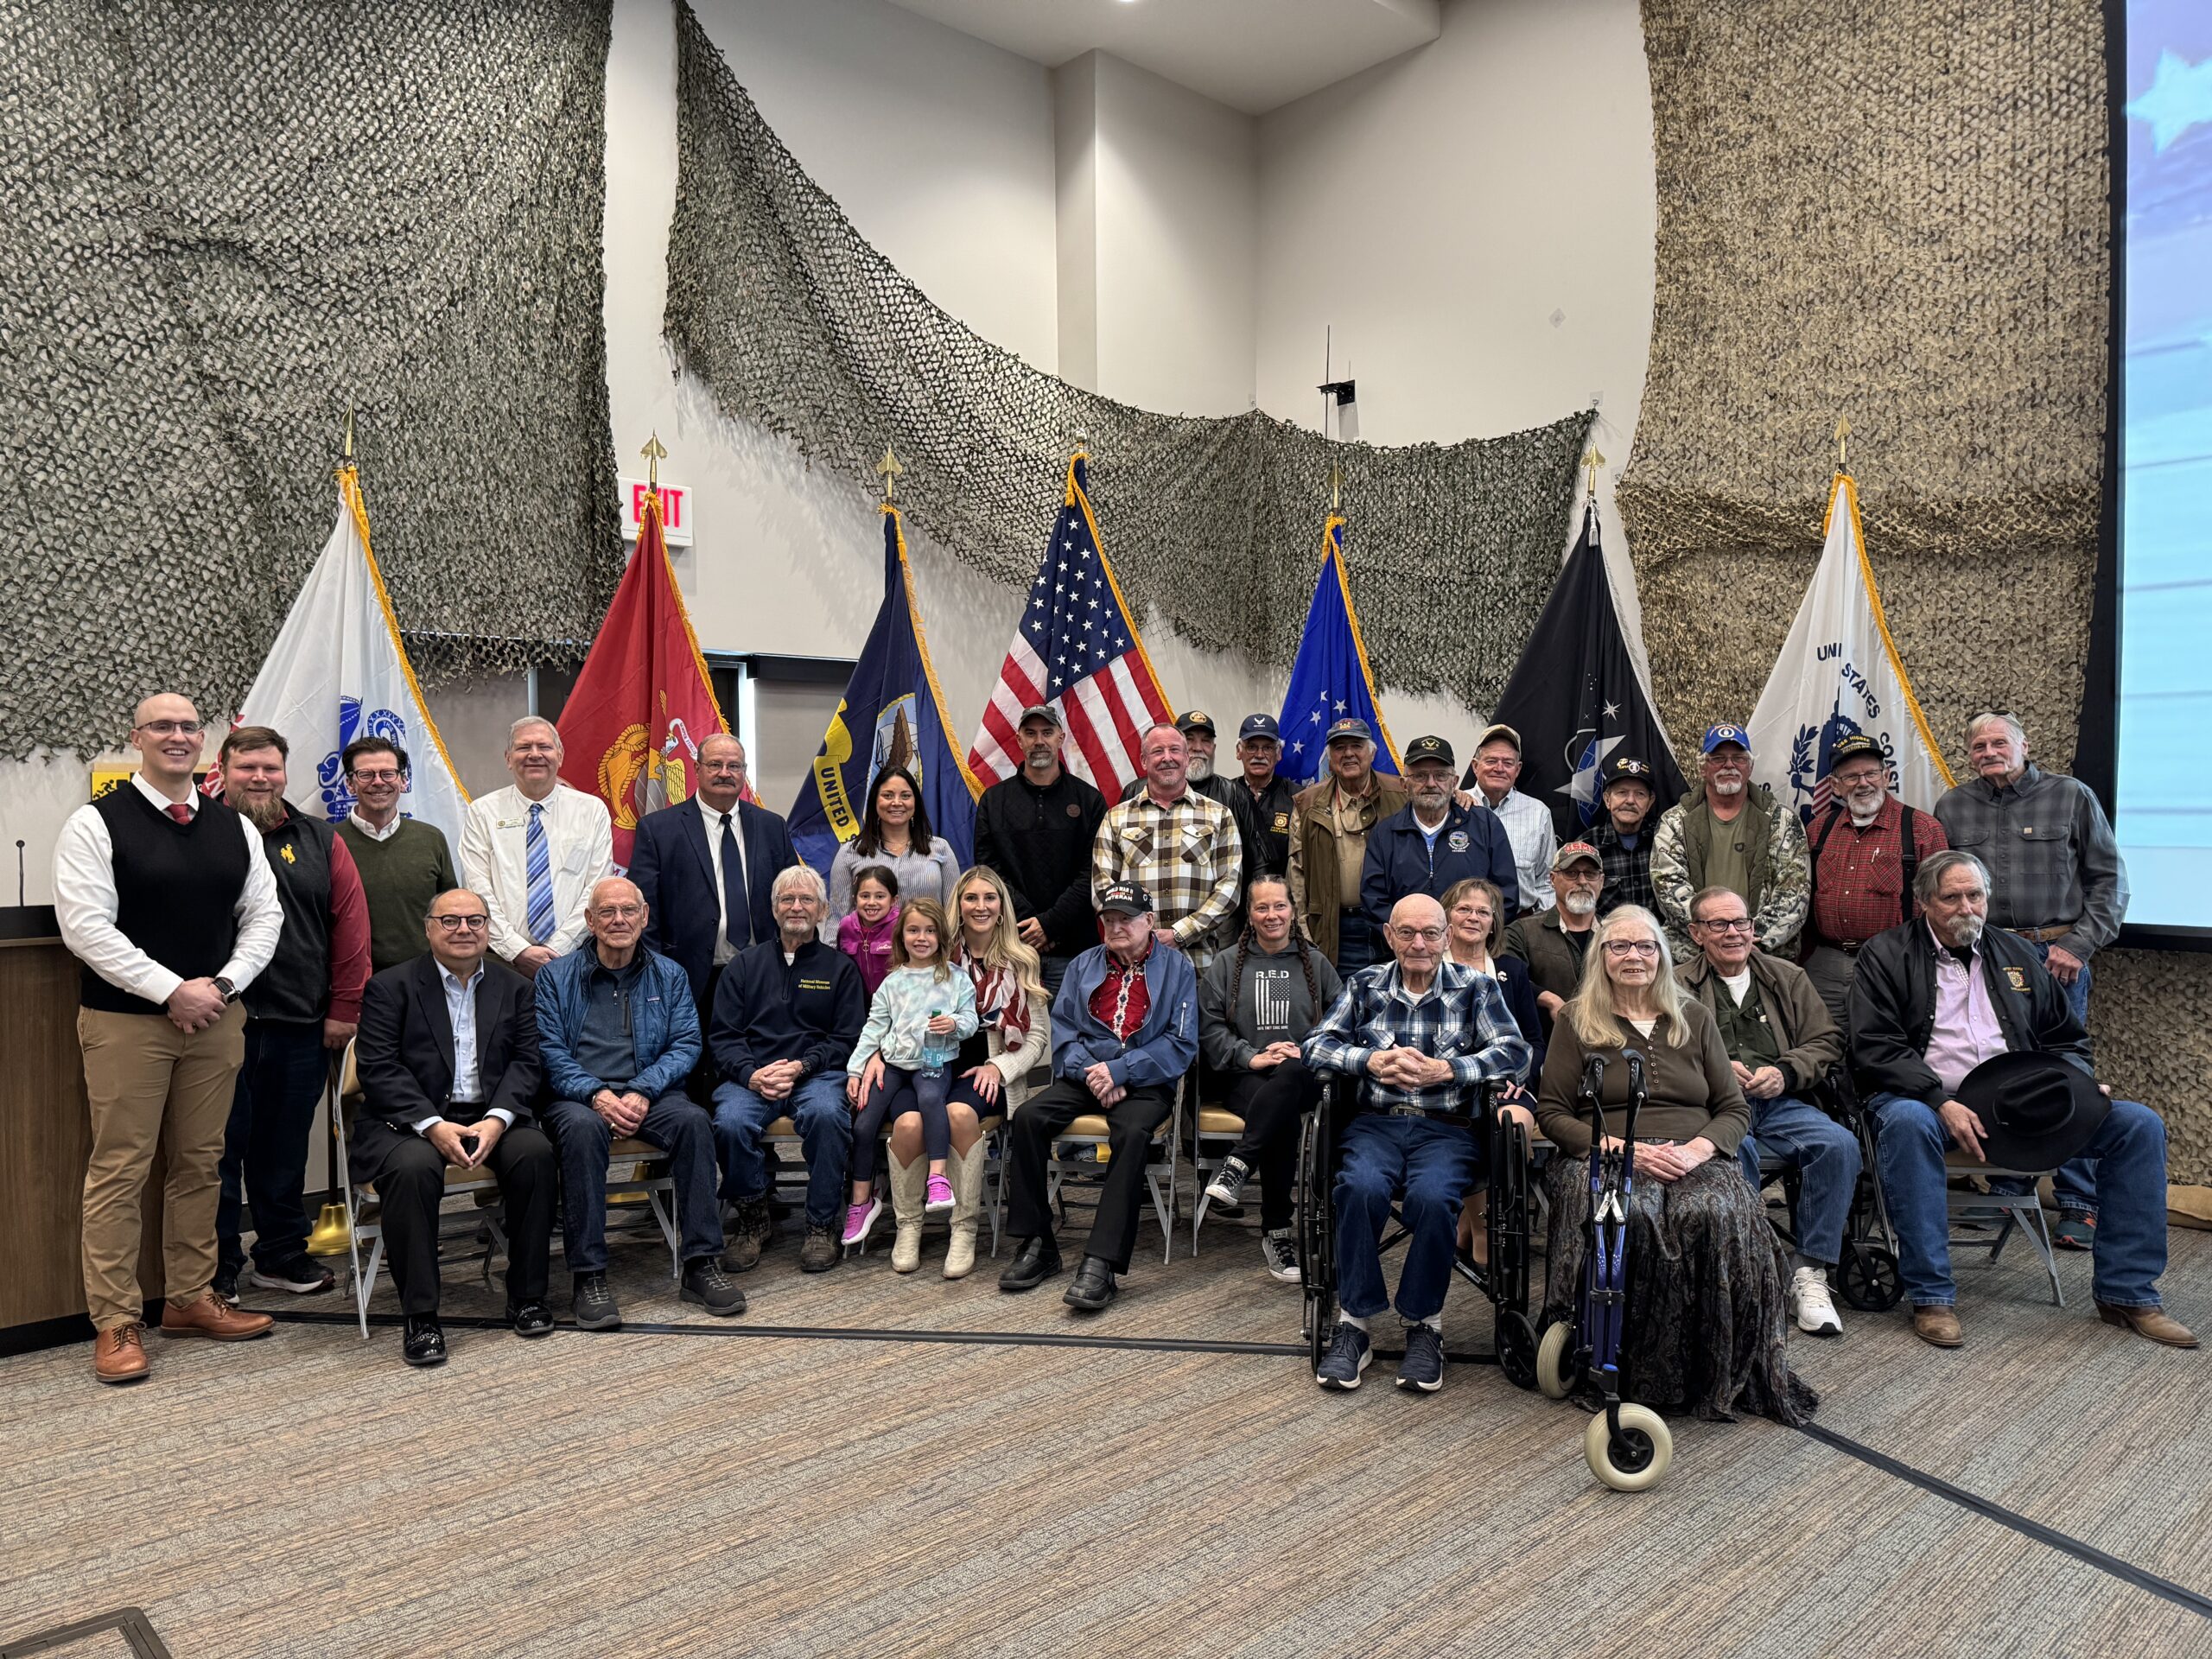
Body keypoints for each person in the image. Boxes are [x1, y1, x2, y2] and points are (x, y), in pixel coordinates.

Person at [1847, 849, 2191, 1350]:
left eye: (1976, 895)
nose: (1967, 907)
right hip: (1925, 1101)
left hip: (2019, 1106)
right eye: (1952, 897)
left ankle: (2129, 1293)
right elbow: (1874, 1046)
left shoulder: (2019, 955)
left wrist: (2076, 1085)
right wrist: (1936, 1099)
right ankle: (1932, 1296)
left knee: (2138, 1125)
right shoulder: (1886, 954)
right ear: (1924, 903)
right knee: (1904, 1123)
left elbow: (2065, 1039)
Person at [54, 692, 284, 1383]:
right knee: (121, 1168)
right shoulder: (95, 823)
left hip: (215, 1020)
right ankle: (116, 1320)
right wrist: (170, 989)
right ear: (138, 739)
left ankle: (189, 1297)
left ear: (203, 744)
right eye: (163, 726)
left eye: (188, 726)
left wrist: (219, 987)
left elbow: (263, 917)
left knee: (201, 1163)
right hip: (128, 1025)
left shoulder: (233, 827)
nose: (177, 735)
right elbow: (87, 928)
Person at [1535, 906, 1815, 1423]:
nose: (1634, 957)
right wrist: (1623, 1148)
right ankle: (1626, 1368)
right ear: (1601, 957)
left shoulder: (1694, 1017)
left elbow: (1733, 1109)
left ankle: (1710, 1368)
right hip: (1607, 1152)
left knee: (1714, 1213)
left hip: (1693, 1152)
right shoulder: (1577, 1021)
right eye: (1619, 947)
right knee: (1629, 1216)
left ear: (1662, 956)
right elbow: (1552, 1113)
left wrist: (1695, 1151)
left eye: (1645, 946)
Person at [1303, 894, 1534, 1394]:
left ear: (1447, 937)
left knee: (1433, 1199)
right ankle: (1354, 1324)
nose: (1419, 944)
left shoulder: (1476, 988)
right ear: (1389, 936)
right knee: (1358, 1187)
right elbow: (1315, 1044)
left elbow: (1516, 1052)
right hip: (1375, 1123)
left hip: (1447, 1128)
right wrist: (1368, 1061)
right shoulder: (1364, 985)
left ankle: (1425, 1323)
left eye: (1430, 933)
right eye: (1407, 933)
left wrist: (1447, 1069)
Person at [1935, 712, 2127, 1248]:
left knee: (2066, 1071)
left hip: (2056, 957)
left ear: (2024, 744)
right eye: (1978, 745)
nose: (1989, 751)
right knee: (1999, 1069)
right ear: (1968, 753)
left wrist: (2078, 945)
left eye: (1999, 742)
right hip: (1987, 957)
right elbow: (1939, 887)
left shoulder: (2071, 797)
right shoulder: (1953, 806)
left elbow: (2110, 881)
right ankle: (2007, 1185)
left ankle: (2077, 1202)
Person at [352, 887, 557, 1368]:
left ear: (489, 930)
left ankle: (527, 1296)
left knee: (536, 1154)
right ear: (429, 928)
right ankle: (421, 1315)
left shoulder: (516, 987)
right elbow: (378, 1067)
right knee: (413, 1169)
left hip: (491, 1115)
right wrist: (431, 1124)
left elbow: (528, 1063)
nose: (464, 930)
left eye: (475, 921)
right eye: (450, 921)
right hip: (406, 1122)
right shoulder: (390, 986)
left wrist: (498, 1118)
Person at [534, 876, 743, 1331]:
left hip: (649, 1091)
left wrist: (642, 1090)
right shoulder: (554, 976)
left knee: (693, 1122)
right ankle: (589, 1274)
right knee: (584, 1131)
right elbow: (549, 1051)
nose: (619, 920)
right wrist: (597, 1094)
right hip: (578, 1097)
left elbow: (687, 1044)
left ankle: (701, 1263)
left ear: (644, 917)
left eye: (628, 911)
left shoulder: (670, 975)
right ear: (590, 921)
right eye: (607, 912)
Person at [213, 726, 372, 1301]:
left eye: (270, 769)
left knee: (282, 1151)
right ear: (223, 770)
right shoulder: (202, 833)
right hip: (218, 1026)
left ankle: (279, 1255)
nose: (259, 778)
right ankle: (218, 1266)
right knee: (218, 1152)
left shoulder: (320, 839)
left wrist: (344, 1007)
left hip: (300, 1025)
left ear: (285, 773)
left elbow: (351, 927)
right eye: (247, 767)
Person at [999, 880, 1198, 1312]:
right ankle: (1038, 1243)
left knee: (1131, 1131)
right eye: (1108, 919)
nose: (1115, 926)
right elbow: (1064, 1034)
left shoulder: (1178, 969)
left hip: (1146, 1081)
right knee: (1030, 1118)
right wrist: (1095, 1074)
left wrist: (1122, 1070)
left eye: (1126, 919)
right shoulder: (1083, 964)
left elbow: (1180, 1046)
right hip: (1086, 1076)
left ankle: (1102, 1261)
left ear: (1150, 922)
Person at [1678, 886, 1853, 1338]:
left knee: (1837, 1144)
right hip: (1712, 1107)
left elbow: (1826, 1041)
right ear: (1697, 933)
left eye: (1742, 923)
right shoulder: (1676, 983)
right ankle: (1746, 1272)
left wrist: (1786, 1072)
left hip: (1780, 1103)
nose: (1734, 932)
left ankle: (1809, 1273)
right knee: (1736, 1154)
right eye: (1719, 924)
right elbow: (1660, 1049)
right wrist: (1712, 1069)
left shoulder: (1787, 976)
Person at [709, 865, 868, 1274]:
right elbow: (724, 1037)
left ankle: (820, 1224)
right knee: (728, 1123)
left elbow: (847, 1038)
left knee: (828, 1115)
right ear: (773, 909)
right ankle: (753, 1218)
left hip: (818, 1074)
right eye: (787, 899)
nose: (796, 907)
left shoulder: (841, 969)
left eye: (806, 900)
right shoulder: (742, 967)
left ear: (823, 911)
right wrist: (752, 1074)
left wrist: (802, 1066)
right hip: (752, 1076)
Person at [1198, 874, 1344, 1281]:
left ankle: (1240, 1163)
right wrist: (1252, 1056)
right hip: (1246, 1077)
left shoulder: (1315, 962)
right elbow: (1208, 1028)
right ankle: (1276, 1232)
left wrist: (1304, 1050)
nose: (1271, 915)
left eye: (1279, 906)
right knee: (1276, 1116)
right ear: (1250, 913)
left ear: (1293, 911)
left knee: (1293, 1072)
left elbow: (1343, 1022)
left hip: (1306, 1077)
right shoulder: (1227, 964)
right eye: (1262, 907)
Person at [925, 866, 1052, 1279]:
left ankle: (963, 1229)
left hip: (990, 1073)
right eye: (971, 898)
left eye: (989, 898)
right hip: (935, 1066)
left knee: (959, 1113)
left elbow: (1036, 1040)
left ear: (1002, 908)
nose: (980, 906)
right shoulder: (937, 958)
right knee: (909, 1116)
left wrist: (998, 1067)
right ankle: (908, 1229)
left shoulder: (1022, 960)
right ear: (957, 907)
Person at [628, 732, 799, 1032]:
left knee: (759, 1062)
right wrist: (657, 973)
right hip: (688, 976)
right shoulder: (659, 829)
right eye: (715, 765)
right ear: (696, 769)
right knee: (695, 1069)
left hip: (764, 974)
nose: (724, 773)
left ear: (744, 773)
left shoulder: (772, 826)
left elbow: (792, 898)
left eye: (734, 767)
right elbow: (644, 910)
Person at [843, 898, 979, 1253]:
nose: (922, 938)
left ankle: (938, 1177)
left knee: (932, 1099)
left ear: (942, 936)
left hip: (934, 1060)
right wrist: (856, 1070)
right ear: (901, 936)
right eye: (914, 930)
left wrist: (954, 1024)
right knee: (863, 1122)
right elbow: (874, 1029)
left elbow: (971, 1020)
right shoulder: (892, 983)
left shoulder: (955, 978)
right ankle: (862, 1200)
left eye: (930, 930)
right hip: (893, 1064)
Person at [1800, 733, 1950, 1028]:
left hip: (1892, 962)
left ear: (1886, 776)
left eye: (1870, 773)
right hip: (1825, 965)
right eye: (1851, 776)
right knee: (1824, 1049)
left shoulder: (1922, 830)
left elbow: (1941, 905)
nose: (1863, 783)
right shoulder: (1818, 830)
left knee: (1882, 1050)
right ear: (1835, 786)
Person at [1440, 877, 1545, 1265]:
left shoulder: (1512, 972)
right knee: (1466, 1116)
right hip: (1451, 1083)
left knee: (1510, 1124)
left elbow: (1534, 1040)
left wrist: (1521, 1077)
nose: (1473, 917)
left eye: (1483, 911)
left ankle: (1492, 1220)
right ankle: (1480, 1225)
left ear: (1494, 922)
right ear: (1447, 917)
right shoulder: (1430, 966)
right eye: (1464, 908)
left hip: (1509, 1083)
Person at [458, 716, 613, 978]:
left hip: (574, 958)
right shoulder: (482, 812)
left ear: (560, 756)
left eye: (544, 747)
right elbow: (477, 890)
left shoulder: (591, 810)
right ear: (508, 758)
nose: (534, 755)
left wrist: (558, 948)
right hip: (501, 961)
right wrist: (517, 950)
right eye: (523, 747)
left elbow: (596, 888)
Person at [970, 703, 1106, 999]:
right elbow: (988, 872)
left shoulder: (1090, 800)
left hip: (1075, 954)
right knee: (1011, 1038)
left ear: (1061, 737)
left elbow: (1093, 873)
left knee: (1073, 1041)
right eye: (1030, 733)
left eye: (1047, 732)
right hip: (1010, 949)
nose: (1039, 740)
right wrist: (1033, 925)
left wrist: (1049, 923)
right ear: (1019, 741)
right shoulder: (994, 802)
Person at [1651, 722, 1809, 958]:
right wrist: (1714, 934)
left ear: (1750, 767)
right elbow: (1668, 888)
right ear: (1703, 767)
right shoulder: (1675, 822)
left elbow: (1795, 893)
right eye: (1718, 758)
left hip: (1764, 952)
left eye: (1739, 758)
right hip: (1695, 953)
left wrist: (1748, 938)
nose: (1729, 765)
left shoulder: (1783, 821)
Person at [1092, 724, 1242, 970]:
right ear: (1143, 760)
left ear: (1186, 757)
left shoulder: (1218, 816)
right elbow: (1103, 889)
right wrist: (1141, 936)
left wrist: (1180, 933)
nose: (1167, 758)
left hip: (1199, 963)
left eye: (1174, 750)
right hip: (1132, 962)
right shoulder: (1116, 819)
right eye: (1157, 751)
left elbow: (1230, 888)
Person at [1361, 734, 1519, 943]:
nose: (1431, 783)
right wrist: (1412, 938)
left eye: (1441, 776)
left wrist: (1471, 937)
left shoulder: (1485, 825)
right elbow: (1374, 900)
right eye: (1419, 776)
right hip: (1408, 953)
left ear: (1454, 782)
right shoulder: (1386, 834)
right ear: (1403, 784)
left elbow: (1505, 895)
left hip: (1470, 951)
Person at [1287, 717, 1408, 973]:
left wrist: (1462, 796)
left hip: (1393, 926)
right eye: (1340, 748)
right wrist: (1303, 929)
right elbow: (1297, 872)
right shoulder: (1306, 803)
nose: (1349, 754)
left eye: (1357, 745)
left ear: (1372, 753)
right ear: (1329, 758)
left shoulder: (1402, 795)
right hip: (1333, 930)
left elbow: (1436, 799)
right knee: (1340, 1007)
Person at [334, 735, 460, 973]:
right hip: (353, 982)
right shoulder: (328, 842)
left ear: (403, 781)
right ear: (350, 784)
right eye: (366, 774)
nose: (378, 782)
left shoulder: (431, 839)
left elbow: (450, 913)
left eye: (388, 773)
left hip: (425, 978)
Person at [827, 766, 960, 928]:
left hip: (929, 951)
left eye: (905, 796)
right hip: (866, 953)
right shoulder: (850, 853)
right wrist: (833, 954)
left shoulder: (941, 849)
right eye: (888, 795)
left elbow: (953, 916)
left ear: (915, 802)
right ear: (875, 801)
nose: (897, 802)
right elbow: (837, 919)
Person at [1502, 841, 1605, 1039]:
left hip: (1607, 1045)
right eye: (1571, 873)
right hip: (1547, 1047)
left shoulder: (1617, 934)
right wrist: (1548, 999)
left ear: (1601, 881)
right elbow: (1506, 977)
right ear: (1552, 878)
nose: (1582, 881)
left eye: (1590, 874)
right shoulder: (1521, 931)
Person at [1461, 724, 1557, 915]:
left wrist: (1537, 926)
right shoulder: (1455, 806)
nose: (1499, 768)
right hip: (1462, 924)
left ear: (1518, 769)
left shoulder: (1538, 813)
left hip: (1520, 925)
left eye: (1507, 763)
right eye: (1491, 761)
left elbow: (1547, 882)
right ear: (1475, 766)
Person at [1588, 754, 1662, 918]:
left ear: (1650, 802)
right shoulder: (1587, 846)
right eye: (1622, 792)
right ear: (1607, 800)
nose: (1630, 801)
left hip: (1658, 938)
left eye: (1640, 794)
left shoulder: (1664, 840)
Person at [1230, 714, 1297, 877]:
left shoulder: (1298, 797)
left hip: (1281, 898)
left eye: (1267, 748)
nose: (1259, 755)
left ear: (1279, 753)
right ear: (1239, 752)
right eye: (1251, 747)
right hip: (1235, 898)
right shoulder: (1225, 794)